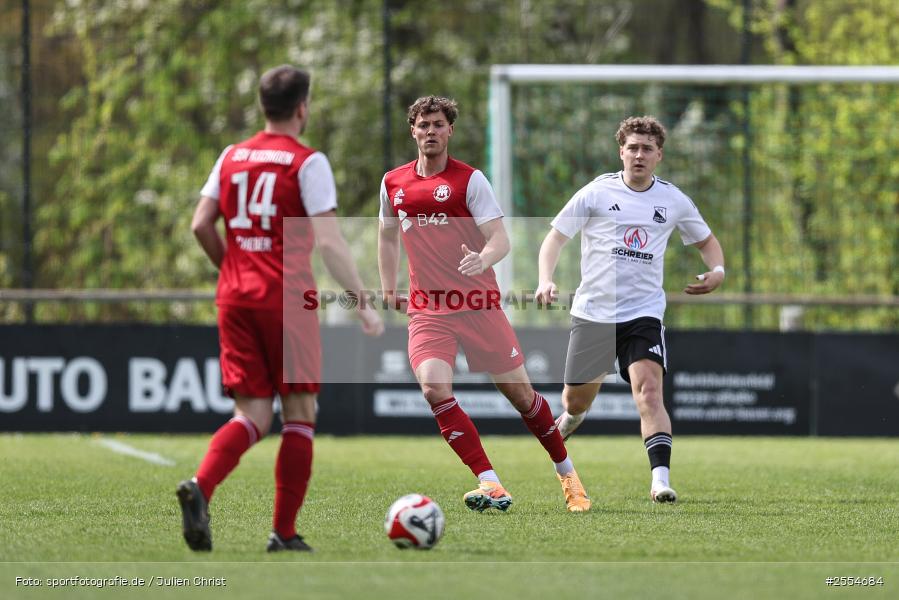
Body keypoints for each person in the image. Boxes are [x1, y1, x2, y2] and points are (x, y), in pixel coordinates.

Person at [179, 65, 383, 553]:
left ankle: (201, 487)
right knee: (299, 411)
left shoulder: (232, 156)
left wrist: (232, 268)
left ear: (262, 106)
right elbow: (331, 245)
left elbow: (201, 225)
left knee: (250, 412)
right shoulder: (306, 163)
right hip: (287, 300)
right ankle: (283, 532)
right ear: (302, 107)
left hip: (234, 296)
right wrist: (362, 302)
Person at [378, 95, 590, 513]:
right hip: (428, 309)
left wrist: (483, 258)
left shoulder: (469, 181)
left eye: (439, 124)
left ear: (450, 130)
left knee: (523, 397)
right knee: (433, 388)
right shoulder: (393, 183)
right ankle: (490, 483)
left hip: (478, 304)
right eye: (424, 125)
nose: (431, 131)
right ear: (413, 131)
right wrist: (388, 288)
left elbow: (501, 240)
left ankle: (568, 475)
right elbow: (386, 236)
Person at [535, 115, 725, 503]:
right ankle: (571, 419)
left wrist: (717, 270)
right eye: (633, 148)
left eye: (647, 149)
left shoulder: (673, 200)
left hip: (643, 315)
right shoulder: (596, 192)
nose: (639, 155)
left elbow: (707, 242)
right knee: (576, 401)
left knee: (649, 392)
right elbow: (554, 238)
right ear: (621, 152)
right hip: (594, 314)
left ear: (659, 156)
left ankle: (660, 480)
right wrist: (545, 279)